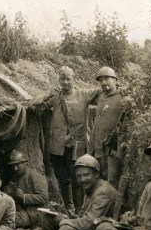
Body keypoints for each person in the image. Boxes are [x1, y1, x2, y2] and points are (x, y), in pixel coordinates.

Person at [30, 66, 101, 213]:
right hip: (57, 145)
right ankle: (69, 206)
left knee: (77, 179)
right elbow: (34, 103)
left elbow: (102, 91)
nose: (65, 82)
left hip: (77, 145)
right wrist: (49, 94)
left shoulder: (83, 94)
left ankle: (80, 208)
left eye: (68, 79)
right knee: (62, 178)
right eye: (62, 79)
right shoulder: (55, 97)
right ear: (59, 81)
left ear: (73, 79)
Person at [90, 67, 129, 185]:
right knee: (96, 180)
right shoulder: (101, 96)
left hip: (111, 149)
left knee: (111, 182)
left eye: (106, 79)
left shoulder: (123, 97)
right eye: (101, 80)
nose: (103, 82)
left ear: (115, 80)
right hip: (97, 147)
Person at [3, 149, 49, 228]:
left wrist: (24, 197)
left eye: (17, 164)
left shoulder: (35, 176)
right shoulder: (15, 177)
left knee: (9, 219)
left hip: (33, 212)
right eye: (13, 166)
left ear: (24, 162)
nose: (15, 168)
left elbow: (44, 197)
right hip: (20, 210)